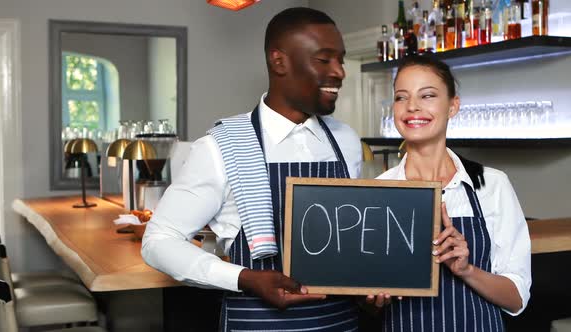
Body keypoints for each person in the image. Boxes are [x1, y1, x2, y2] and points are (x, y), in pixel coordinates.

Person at [141, 7, 363, 331]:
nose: (340, 72)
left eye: (340, 60)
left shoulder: (347, 141)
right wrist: (244, 278)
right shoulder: (222, 147)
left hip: (341, 322)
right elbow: (159, 241)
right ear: (279, 61)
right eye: (324, 59)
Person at [368, 55, 532, 331]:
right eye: (401, 97)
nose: (412, 107)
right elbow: (365, 298)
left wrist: (467, 270)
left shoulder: (492, 185)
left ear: (453, 106)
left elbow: (516, 299)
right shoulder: (377, 191)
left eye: (428, 95)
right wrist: (372, 300)